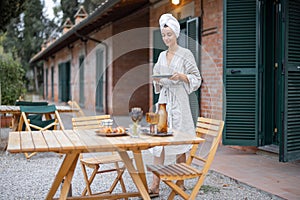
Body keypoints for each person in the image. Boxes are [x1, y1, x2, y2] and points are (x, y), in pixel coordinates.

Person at [149, 13, 202, 196]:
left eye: (169, 34)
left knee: (180, 139)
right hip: (164, 102)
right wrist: (156, 79)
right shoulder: (162, 56)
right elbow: (156, 76)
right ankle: (155, 183)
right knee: (159, 143)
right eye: (164, 35)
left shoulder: (185, 54)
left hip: (179, 101)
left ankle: (180, 180)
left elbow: (197, 78)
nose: (166, 38)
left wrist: (181, 76)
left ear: (176, 34)